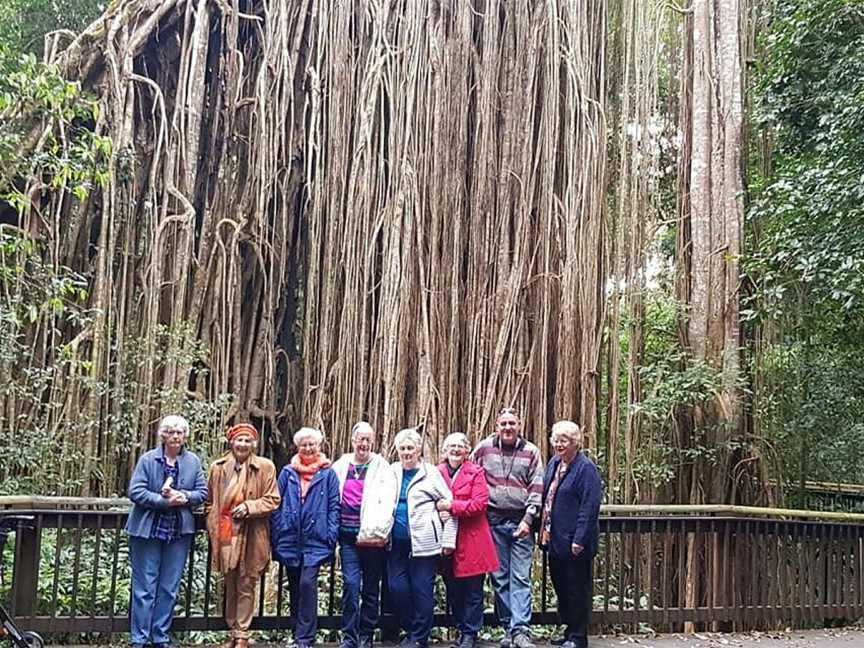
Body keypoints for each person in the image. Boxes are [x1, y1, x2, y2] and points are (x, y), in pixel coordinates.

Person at [126, 415, 208, 648]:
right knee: (144, 587)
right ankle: (139, 639)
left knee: (169, 587)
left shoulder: (192, 461)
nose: (175, 436)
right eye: (170, 432)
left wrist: (185, 497)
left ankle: (160, 636)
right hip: (147, 530)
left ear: (185, 436)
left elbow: (202, 492)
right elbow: (136, 491)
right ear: (162, 435)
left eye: (179, 432)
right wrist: (164, 502)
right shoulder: (148, 460)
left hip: (178, 532)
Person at [471, 407, 544, 648]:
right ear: (496, 426)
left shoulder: (531, 451)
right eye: (503, 423)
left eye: (512, 423)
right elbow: (469, 475)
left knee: (520, 577)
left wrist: (528, 519)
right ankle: (507, 628)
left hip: (521, 522)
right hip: (492, 522)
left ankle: (521, 630)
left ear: (519, 425)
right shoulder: (483, 448)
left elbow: (536, 488)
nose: (507, 428)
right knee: (500, 578)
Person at [206, 423, 281, 648]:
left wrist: (250, 507)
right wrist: (213, 522)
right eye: (239, 440)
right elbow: (210, 500)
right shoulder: (217, 468)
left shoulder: (265, 467)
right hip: (226, 532)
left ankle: (242, 635)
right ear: (231, 442)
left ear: (254, 444)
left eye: (248, 441)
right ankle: (232, 631)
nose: (243, 444)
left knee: (247, 582)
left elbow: (273, 499)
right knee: (230, 582)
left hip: (252, 532)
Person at [270, 427, 340, 648]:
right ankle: (297, 634)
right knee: (295, 586)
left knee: (308, 584)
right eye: (304, 445)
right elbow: (276, 503)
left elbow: (334, 506)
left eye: (312, 444)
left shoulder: (327, 474)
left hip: (316, 539)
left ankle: (305, 638)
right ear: (297, 447)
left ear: (319, 446)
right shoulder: (287, 473)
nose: (308, 448)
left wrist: (330, 534)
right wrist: (279, 529)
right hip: (291, 537)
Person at [388, 427, 457, 648]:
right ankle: (410, 629)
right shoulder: (391, 471)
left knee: (421, 589)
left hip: (425, 543)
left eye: (411, 448)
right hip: (395, 542)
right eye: (403, 448)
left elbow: (449, 504)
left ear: (419, 450)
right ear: (397, 450)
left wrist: (448, 540)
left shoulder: (430, 473)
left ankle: (418, 638)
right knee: (396, 587)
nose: (407, 452)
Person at [332, 422, 398, 648]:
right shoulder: (341, 465)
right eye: (360, 438)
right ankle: (349, 636)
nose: (363, 443)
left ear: (373, 442)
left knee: (371, 587)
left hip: (372, 537)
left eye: (368, 439)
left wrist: (382, 529)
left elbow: (390, 500)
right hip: (347, 537)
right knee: (351, 585)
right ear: (352, 441)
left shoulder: (382, 466)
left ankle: (366, 634)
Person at [540, 421, 602, 648]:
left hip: (575, 543)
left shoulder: (585, 468)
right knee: (562, 587)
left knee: (577, 588)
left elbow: (590, 505)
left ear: (575, 443)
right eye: (556, 440)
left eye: (564, 440)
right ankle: (568, 631)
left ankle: (578, 636)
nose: (559, 444)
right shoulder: (554, 463)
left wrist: (579, 539)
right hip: (555, 540)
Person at [436, 433, 500, 648]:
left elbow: (479, 504)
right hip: (445, 540)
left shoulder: (476, 472)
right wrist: (438, 512)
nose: (455, 450)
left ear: (466, 451)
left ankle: (470, 633)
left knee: (473, 589)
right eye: (451, 446)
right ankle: (461, 628)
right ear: (444, 450)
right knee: (452, 587)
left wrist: (451, 507)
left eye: (460, 446)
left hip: (472, 539)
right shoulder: (436, 473)